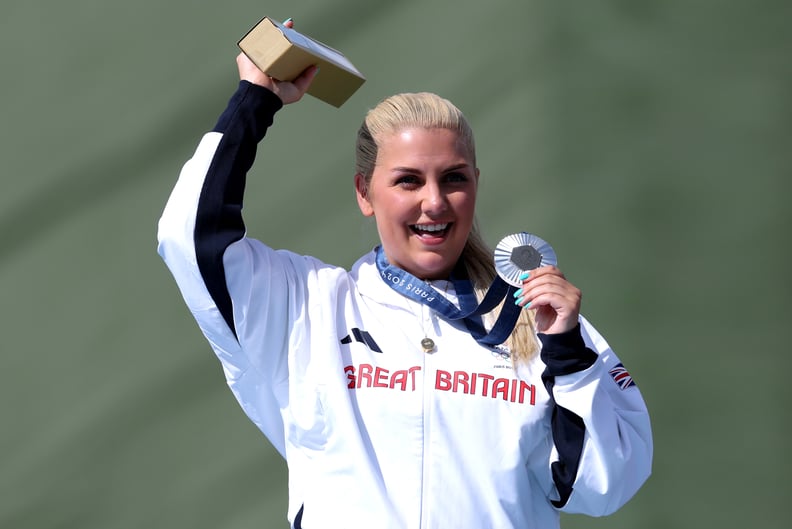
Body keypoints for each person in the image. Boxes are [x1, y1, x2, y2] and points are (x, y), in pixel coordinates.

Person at [157, 31, 652, 529]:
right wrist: (256, 99)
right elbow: (190, 236)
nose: (434, 202)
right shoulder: (307, 305)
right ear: (364, 193)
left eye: (454, 178)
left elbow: (606, 483)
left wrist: (568, 356)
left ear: (476, 184)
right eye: (408, 180)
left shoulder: (539, 320)